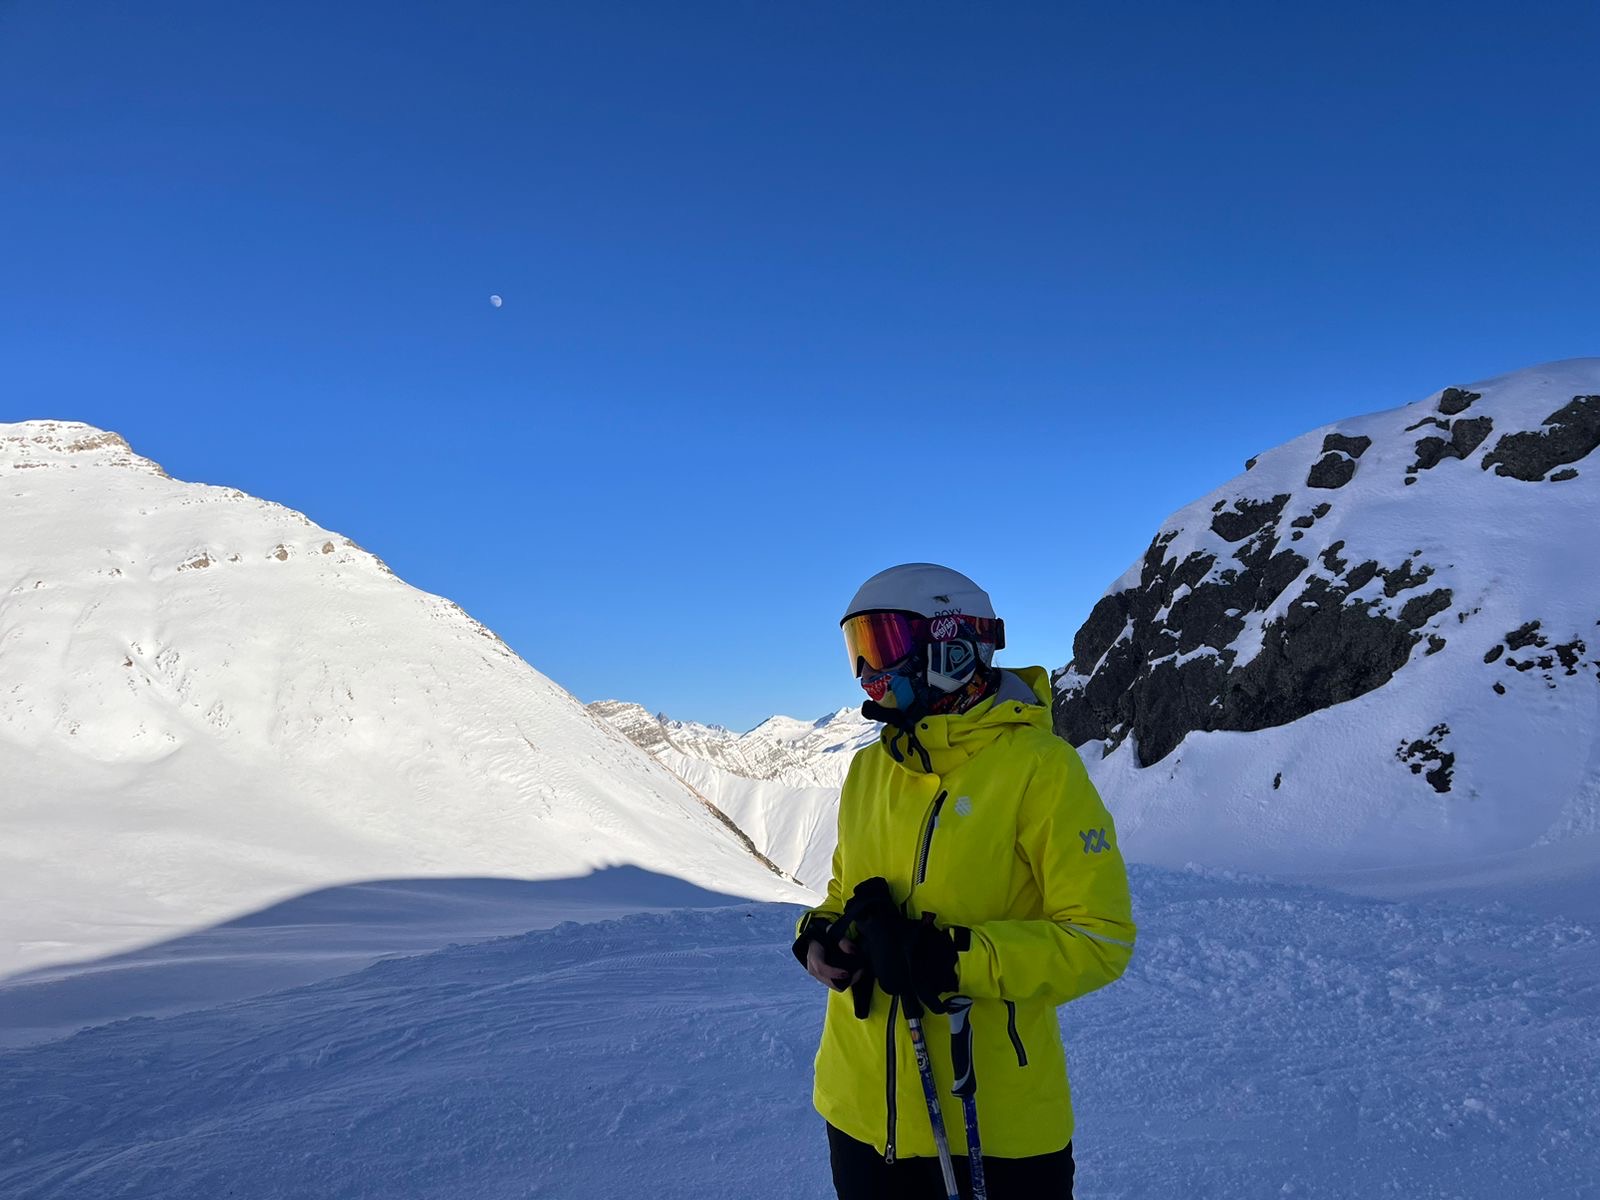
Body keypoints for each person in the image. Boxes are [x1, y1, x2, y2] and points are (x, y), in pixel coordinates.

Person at [793, 563, 1135, 1199]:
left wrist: (952, 960)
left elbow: (1100, 939)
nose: (869, 672)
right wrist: (820, 937)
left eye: (884, 644)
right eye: (857, 650)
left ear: (953, 645)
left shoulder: (1040, 770)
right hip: (857, 1109)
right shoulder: (870, 770)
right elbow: (842, 894)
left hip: (994, 1126)